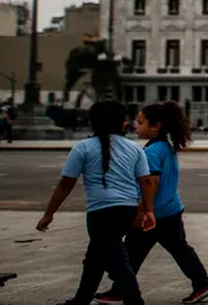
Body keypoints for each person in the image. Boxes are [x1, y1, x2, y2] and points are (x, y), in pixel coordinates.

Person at [37, 100, 158, 305]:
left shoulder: (82, 148)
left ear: (92, 122)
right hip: (126, 211)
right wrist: (149, 211)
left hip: (100, 213)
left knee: (116, 260)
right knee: (95, 257)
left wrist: (49, 214)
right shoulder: (134, 149)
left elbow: (65, 184)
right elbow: (146, 182)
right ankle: (81, 300)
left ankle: (135, 301)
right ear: (122, 124)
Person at [96, 101, 208, 304]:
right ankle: (201, 283)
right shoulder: (163, 147)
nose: (136, 125)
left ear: (156, 126)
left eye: (141, 122)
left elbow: (151, 183)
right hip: (169, 208)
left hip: (156, 213)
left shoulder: (152, 151)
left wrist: (143, 211)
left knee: (133, 251)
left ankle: (121, 290)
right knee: (153, 250)